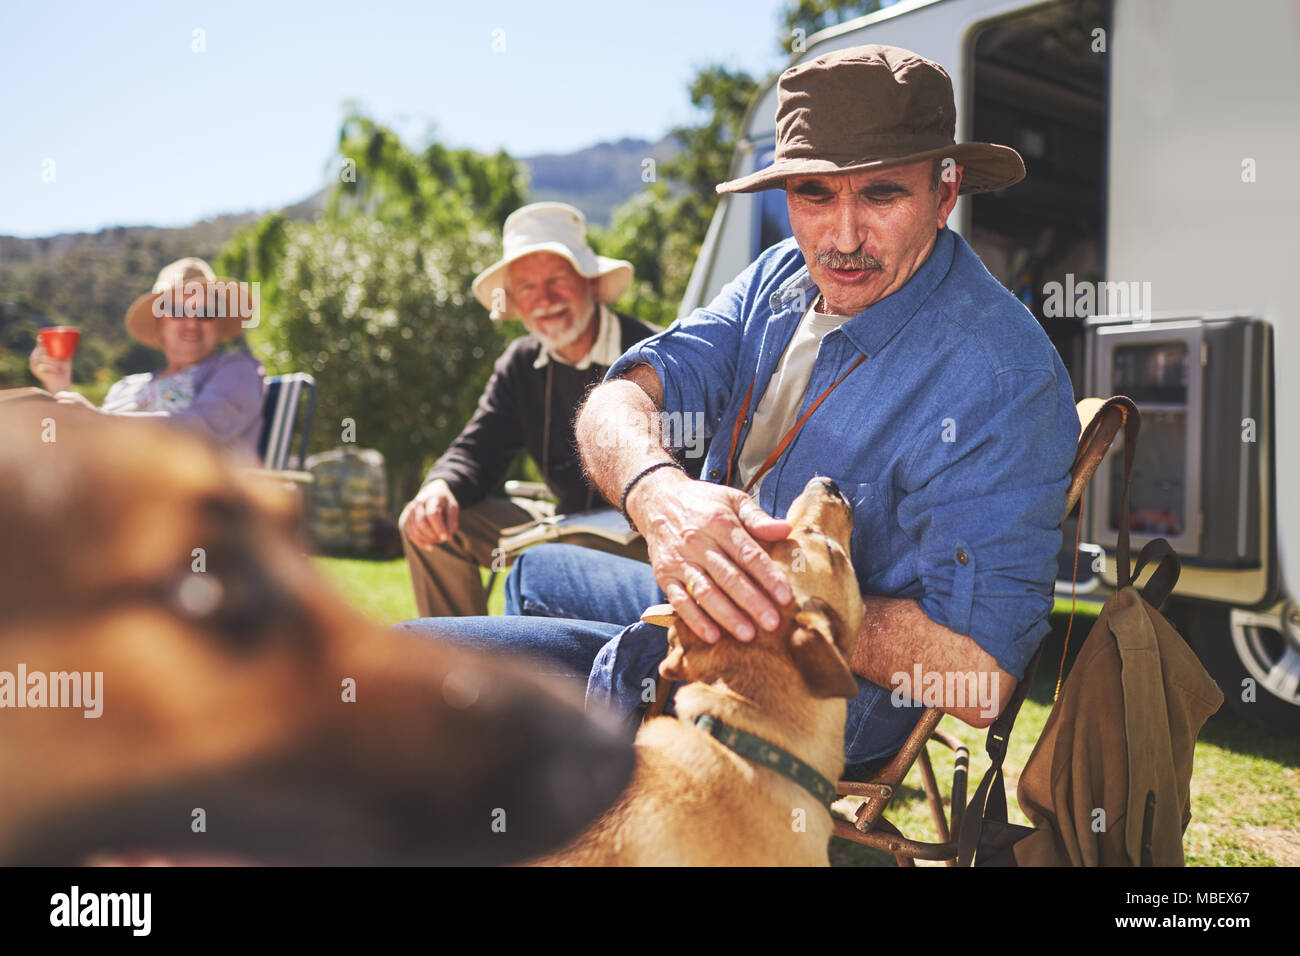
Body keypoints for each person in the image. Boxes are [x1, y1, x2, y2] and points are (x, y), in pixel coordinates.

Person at [399, 46, 1079, 775]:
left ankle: (563, 783)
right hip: (702, 603)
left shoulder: (1000, 374)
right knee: (531, 576)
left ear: (946, 194)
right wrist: (659, 497)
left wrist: (768, 593)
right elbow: (615, 399)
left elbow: (980, 676)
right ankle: (558, 792)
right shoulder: (778, 277)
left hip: (819, 692)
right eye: (814, 194)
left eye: (882, 194)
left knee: (403, 661)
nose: (843, 238)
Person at [398, 202, 661, 618]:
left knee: (564, 555)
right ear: (515, 303)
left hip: (640, 535)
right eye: (526, 287)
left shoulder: (652, 354)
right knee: (430, 527)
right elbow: (478, 449)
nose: (545, 300)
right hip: (562, 522)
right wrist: (440, 488)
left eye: (557, 279)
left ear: (591, 284)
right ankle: (459, 671)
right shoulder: (521, 364)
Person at [28, 257, 265, 457]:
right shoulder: (127, 386)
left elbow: (204, 429)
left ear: (218, 324)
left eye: (206, 312)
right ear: (159, 323)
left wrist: (101, 421)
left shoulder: (237, 369)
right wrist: (59, 387)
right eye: (177, 311)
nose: (192, 322)